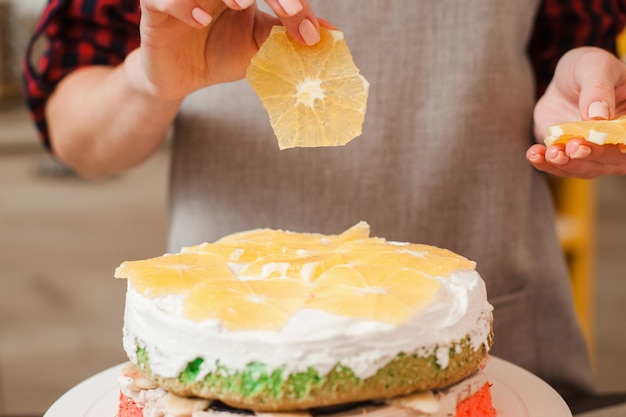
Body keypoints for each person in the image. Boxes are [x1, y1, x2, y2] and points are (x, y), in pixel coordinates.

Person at [23, 0, 626, 400]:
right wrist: (148, 81)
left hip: (496, 351)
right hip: (227, 341)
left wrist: (572, 97)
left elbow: (561, 51)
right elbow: (76, 131)